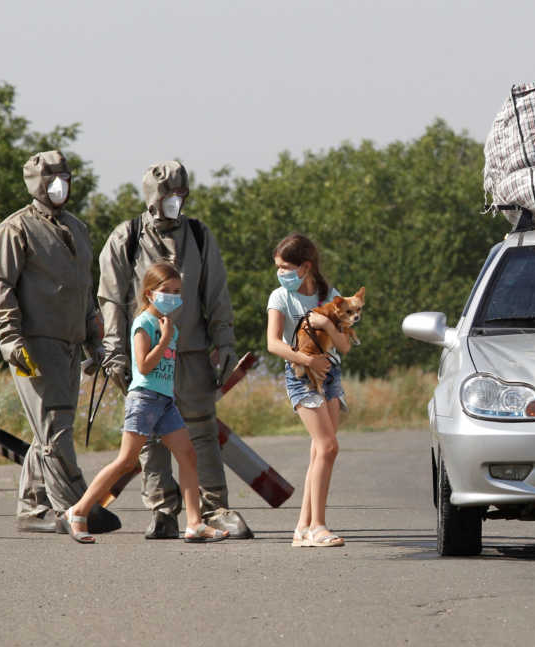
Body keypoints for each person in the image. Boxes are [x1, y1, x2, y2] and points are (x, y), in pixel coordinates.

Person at [98, 161, 249, 539]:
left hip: (193, 350)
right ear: (153, 199)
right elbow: (111, 298)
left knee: (201, 429)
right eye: (169, 197)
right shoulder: (126, 237)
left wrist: (225, 340)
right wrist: (115, 351)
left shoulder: (199, 235)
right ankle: (163, 509)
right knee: (149, 436)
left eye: (181, 196)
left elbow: (216, 292)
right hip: (147, 354)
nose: (176, 203)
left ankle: (214, 508)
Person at [0, 150, 119, 534]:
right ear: (35, 184)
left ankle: (32, 508)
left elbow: (84, 288)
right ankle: (77, 506)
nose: (60, 185)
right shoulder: (15, 230)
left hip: (70, 344)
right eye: (51, 179)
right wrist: (10, 338)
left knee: (48, 428)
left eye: (65, 177)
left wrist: (95, 335)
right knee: (55, 427)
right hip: (32, 345)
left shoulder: (77, 228)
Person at [62, 262, 229, 544]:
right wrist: (164, 339)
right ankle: (78, 512)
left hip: (164, 401)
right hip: (144, 399)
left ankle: (194, 523)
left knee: (187, 455)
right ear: (150, 293)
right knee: (126, 461)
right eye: (166, 291)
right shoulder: (144, 323)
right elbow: (144, 364)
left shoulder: (170, 328)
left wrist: (169, 338)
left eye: (177, 291)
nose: (173, 296)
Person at [265, 233, 351, 548]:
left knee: (319, 450)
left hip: (330, 374)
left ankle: (302, 528)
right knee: (328, 447)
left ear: (306, 267)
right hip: (301, 375)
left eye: (285, 267)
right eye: (278, 267)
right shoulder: (280, 298)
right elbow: (273, 343)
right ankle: (318, 526)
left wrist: (328, 326)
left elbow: (344, 344)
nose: (280, 273)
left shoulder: (331, 296)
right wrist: (306, 359)